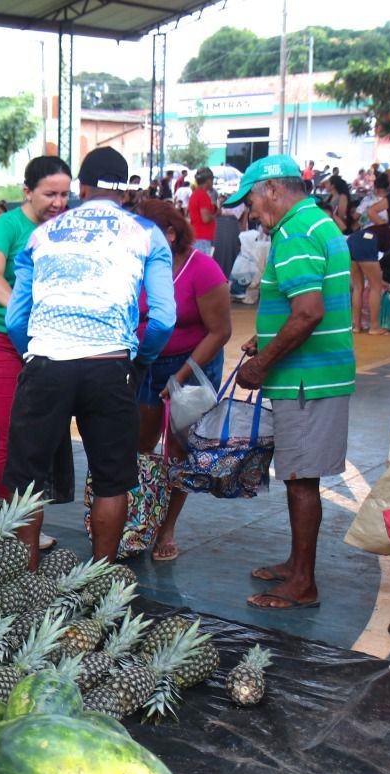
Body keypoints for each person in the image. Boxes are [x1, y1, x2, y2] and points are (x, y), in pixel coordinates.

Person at [5, 147, 176, 564]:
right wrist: (138, 359)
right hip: (110, 366)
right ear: (126, 190)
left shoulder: (42, 234)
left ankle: (25, 573)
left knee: (27, 480)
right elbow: (163, 319)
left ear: (81, 186)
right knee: (112, 481)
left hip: (46, 363)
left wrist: (36, 353)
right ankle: (101, 572)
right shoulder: (147, 233)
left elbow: (15, 318)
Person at [226, 156, 354, 611]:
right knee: (300, 477)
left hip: (306, 378)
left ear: (273, 190)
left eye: (252, 201)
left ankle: (303, 582)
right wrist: (264, 339)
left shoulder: (296, 232)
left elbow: (308, 312)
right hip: (312, 372)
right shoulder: (313, 223)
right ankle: (296, 565)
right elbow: (300, 308)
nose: (251, 212)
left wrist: (263, 363)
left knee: (300, 479)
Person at [131, 199, 232, 561]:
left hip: (192, 367)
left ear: (170, 235)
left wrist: (181, 375)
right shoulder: (137, 266)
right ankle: (139, 519)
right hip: (145, 364)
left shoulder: (202, 269)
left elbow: (220, 331)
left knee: (177, 451)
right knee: (140, 448)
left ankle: (167, 527)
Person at [0, 155, 72, 503]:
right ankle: (9, 520)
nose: (59, 203)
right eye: (50, 194)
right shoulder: (8, 226)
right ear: (27, 192)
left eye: (65, 194)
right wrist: (25, 313)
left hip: (47, 345)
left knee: (39, 435)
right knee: (13, 433)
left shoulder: (65, 227)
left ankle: (27, 518)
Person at [348, 172, 390, 334]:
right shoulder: (388, 202)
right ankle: (374, 327)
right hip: (371, 242)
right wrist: (381, 224)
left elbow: (356, 216)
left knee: (358, 287)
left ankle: (356, 325)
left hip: (354, 240)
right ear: (388, 185)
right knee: (375, 285)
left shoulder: (367, 200)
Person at [187, 168, 217, 255]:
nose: (212, 182)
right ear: (208, 180)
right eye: (212, 180)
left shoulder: (195, 194)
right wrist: (216, 214)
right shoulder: (203, 195)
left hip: (197, 236)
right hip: (203, 237)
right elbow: (206, 218)